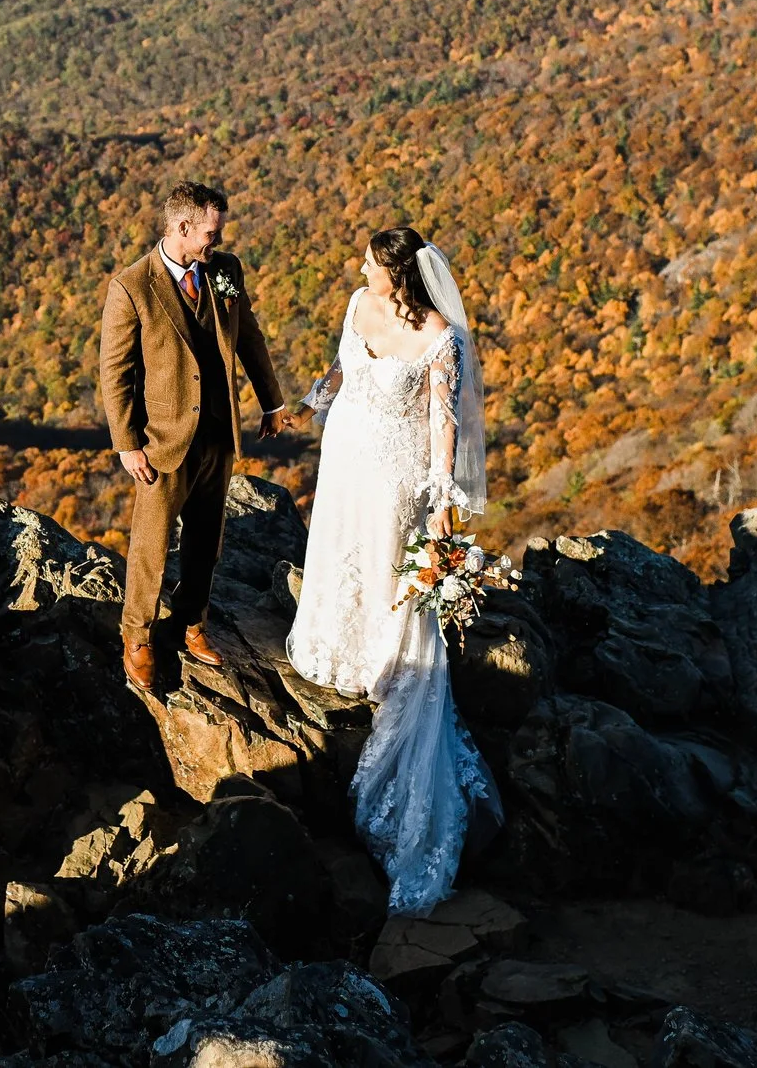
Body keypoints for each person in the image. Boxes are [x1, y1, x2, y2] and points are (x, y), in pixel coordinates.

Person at [285, 224, 502, 914]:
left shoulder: (441, 336)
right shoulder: (357, 303)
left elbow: (446, 422)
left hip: (396, 474)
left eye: (371, 262)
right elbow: (348, 365)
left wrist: (441, 498)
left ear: (399, 273)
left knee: (386, 575)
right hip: (346, 458)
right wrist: (321, 394)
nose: (359, 268)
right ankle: (337, 645)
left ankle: (381, 662)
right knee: (340, 557)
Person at [97, 180, 288, 694]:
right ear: (181, 228)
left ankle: (189, 622)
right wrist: (127, 443)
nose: (216, 239)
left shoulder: (225, 271)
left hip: (218, 435)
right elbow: (115, 371)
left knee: (207, 539)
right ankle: (135, 634)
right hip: (162, 440)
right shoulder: (132, 286)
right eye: (210, 231)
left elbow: (247, 333)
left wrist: (271, 401)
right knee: (151, 545)